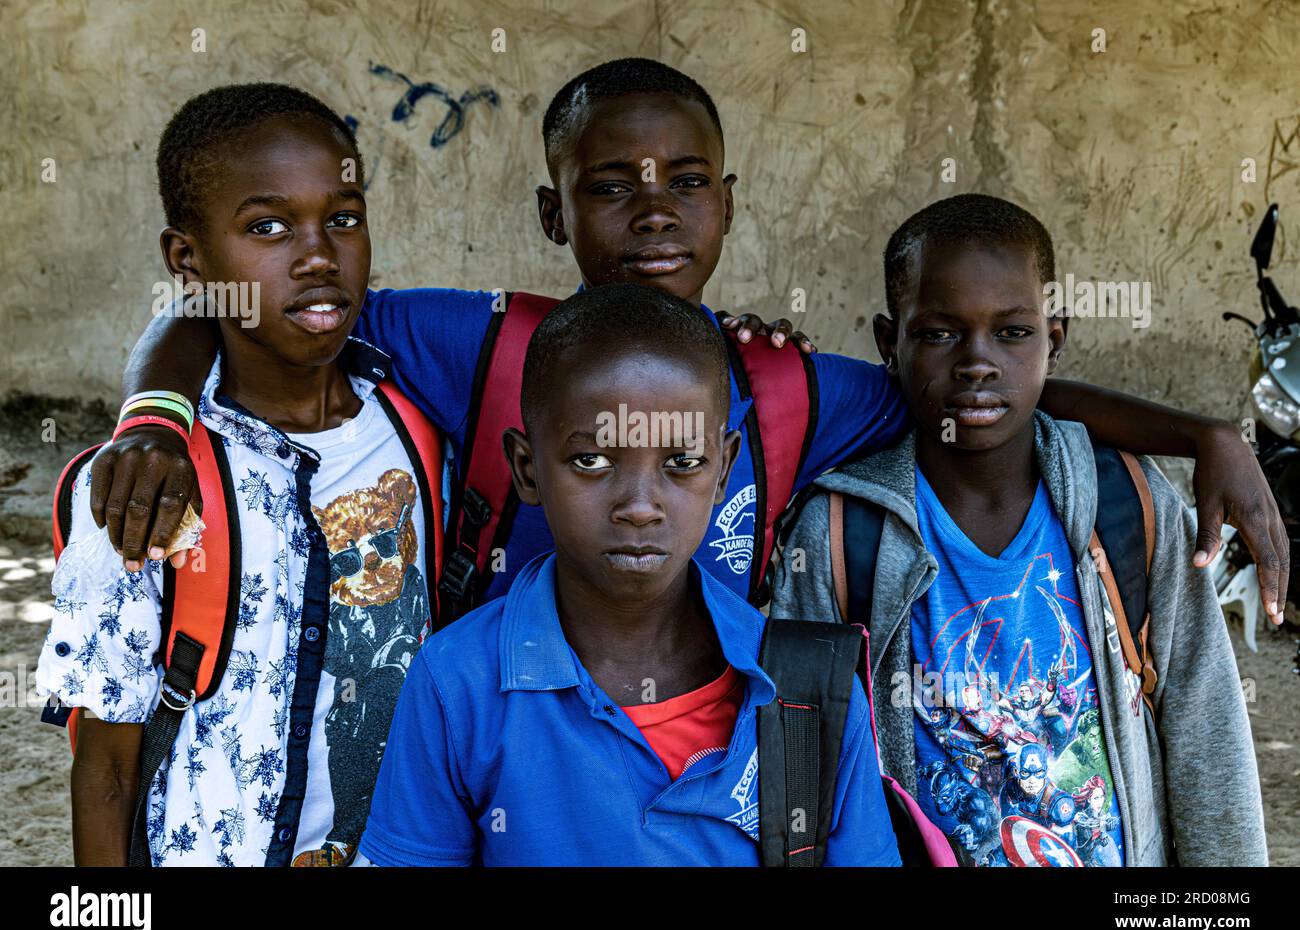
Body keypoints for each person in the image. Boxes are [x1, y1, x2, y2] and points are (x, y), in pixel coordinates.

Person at [87, 60, 1289, 622]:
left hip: (706, 755)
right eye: (613, 186)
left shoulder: (781, 384)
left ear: (730, 201)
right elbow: (221, 307)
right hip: (502, 726)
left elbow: (981, 385)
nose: (655, 211)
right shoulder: (474, 341)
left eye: (687, 182)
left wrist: (1201, 434)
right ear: (555, 214)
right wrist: (157, 415)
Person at [770, 194, 1267, 866]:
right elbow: (806, 760)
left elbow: (1207, 738)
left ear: (1054, 340)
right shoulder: (837, 533)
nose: (977, 362)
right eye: (940, 333)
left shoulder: (1131, 503)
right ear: (891, 343)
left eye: (1011, 333)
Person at [36, 84, 441, 867]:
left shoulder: (419, 422)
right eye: (268, 227)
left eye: (344, 218)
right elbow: (108, 769)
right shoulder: (143, 485)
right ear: (188, 259)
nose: (319, 254)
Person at [358, 283, 901, 865]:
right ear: (527, 468)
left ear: (723, 470)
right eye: (592, 460)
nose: (640, 505)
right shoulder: (458, 681)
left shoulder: (810, 688)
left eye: (682, 463)